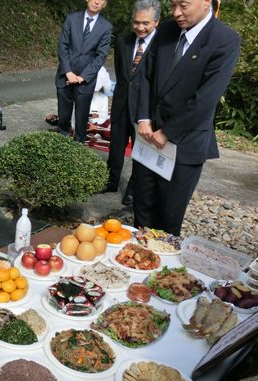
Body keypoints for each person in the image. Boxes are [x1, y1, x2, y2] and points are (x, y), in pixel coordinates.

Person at [135, 0, 240, 235]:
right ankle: (135, 260)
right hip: (148, 134)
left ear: (206, 2)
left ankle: (163, 267)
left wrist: (168, 132)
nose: (176, 13)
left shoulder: (224, 40)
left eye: (183, 5)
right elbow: (146, 76)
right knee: (142, 206)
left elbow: (205, 98)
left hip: (184, 142)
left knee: (168, 216)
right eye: (172, 5)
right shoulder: (167, 30)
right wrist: (143, 118)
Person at [103, 0, 160, 206]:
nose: (140, 27)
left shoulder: (162, 45)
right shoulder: (123, 41)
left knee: (140, 151)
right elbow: (122, 73)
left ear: (156, 21)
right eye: (136, 22)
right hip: (121, 104)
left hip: (145, 110)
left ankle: (133, 190)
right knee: (116, 146)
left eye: (146, 23)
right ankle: (110, 180)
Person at [55, 0, 112, 144]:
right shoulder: (71, 18)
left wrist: (83, 77)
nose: (97, 1)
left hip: (85, 82)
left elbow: (100, 56)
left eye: (102, 0)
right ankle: (60, 149)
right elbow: (63, 46)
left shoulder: (106, 27)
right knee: (63, 120)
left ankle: (78, 156)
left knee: (81, 125)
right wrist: (67, 71)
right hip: (65, 77)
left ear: (105, 4)